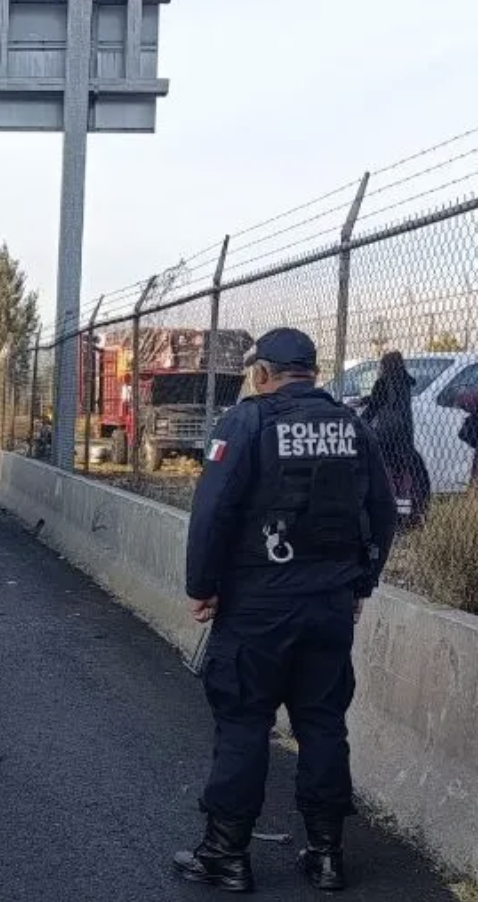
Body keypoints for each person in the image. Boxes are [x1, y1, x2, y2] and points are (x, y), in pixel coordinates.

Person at [174, 327, 397, 893]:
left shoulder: (249, 421)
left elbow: (214, 510)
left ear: (262, 373)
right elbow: (381, 510)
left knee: (245, 721)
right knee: (322, 723)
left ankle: (225, 854)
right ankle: (326, 855)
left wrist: (202, 584)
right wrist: (360, 584)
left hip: (259, 606)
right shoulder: (353, 427)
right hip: (328, 604)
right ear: (313, 373)